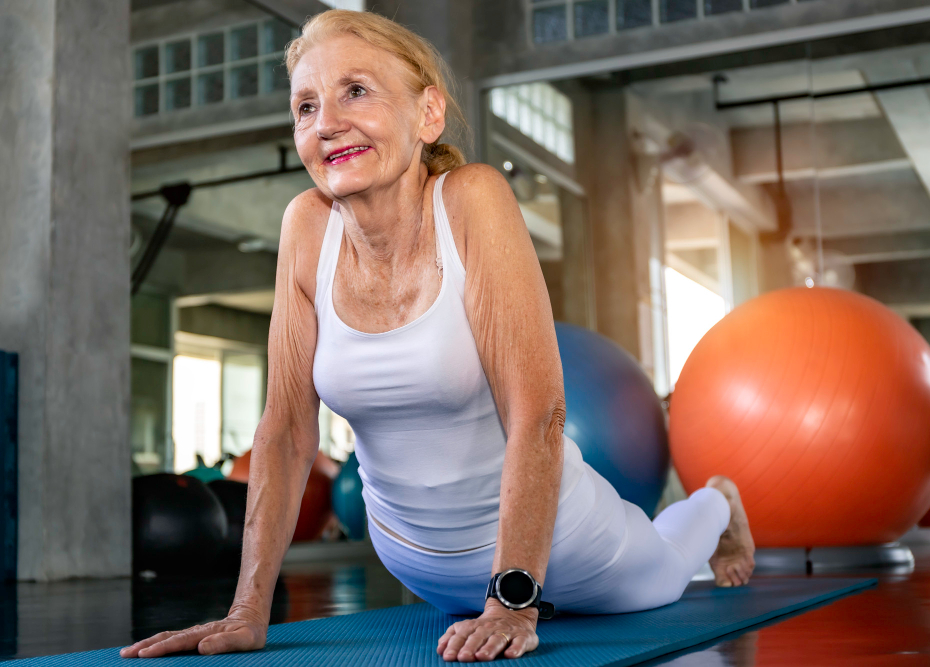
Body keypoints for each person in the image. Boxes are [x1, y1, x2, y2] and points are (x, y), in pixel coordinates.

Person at [121, 9, 755, 663]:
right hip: (424, 568)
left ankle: (717, 503)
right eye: (305, 106)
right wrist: (248, 609)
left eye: (356, 91)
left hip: (562, 539)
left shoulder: (471, 199)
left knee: (667, 568)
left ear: (428, 114)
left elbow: (538, 413)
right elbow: (284, 431)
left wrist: (512, 598)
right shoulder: (307, 227)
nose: (326, 122)